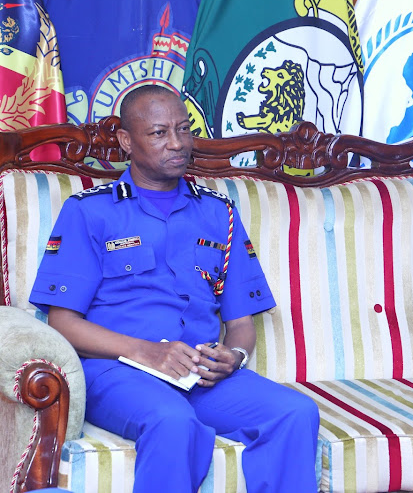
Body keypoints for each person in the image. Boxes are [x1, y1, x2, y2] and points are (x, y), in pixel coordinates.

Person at [29, 85, 320, 492]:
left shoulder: (220, 213)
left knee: (295, 412)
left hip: (198, 373)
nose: (178, 143)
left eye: (183, 129)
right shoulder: (88, 211)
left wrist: (233, 356)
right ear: (127, 141)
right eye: (160, 133)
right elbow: (62, 321)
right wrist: (145, 350)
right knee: (174, 422)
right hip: (117, 371)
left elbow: (241, 324)